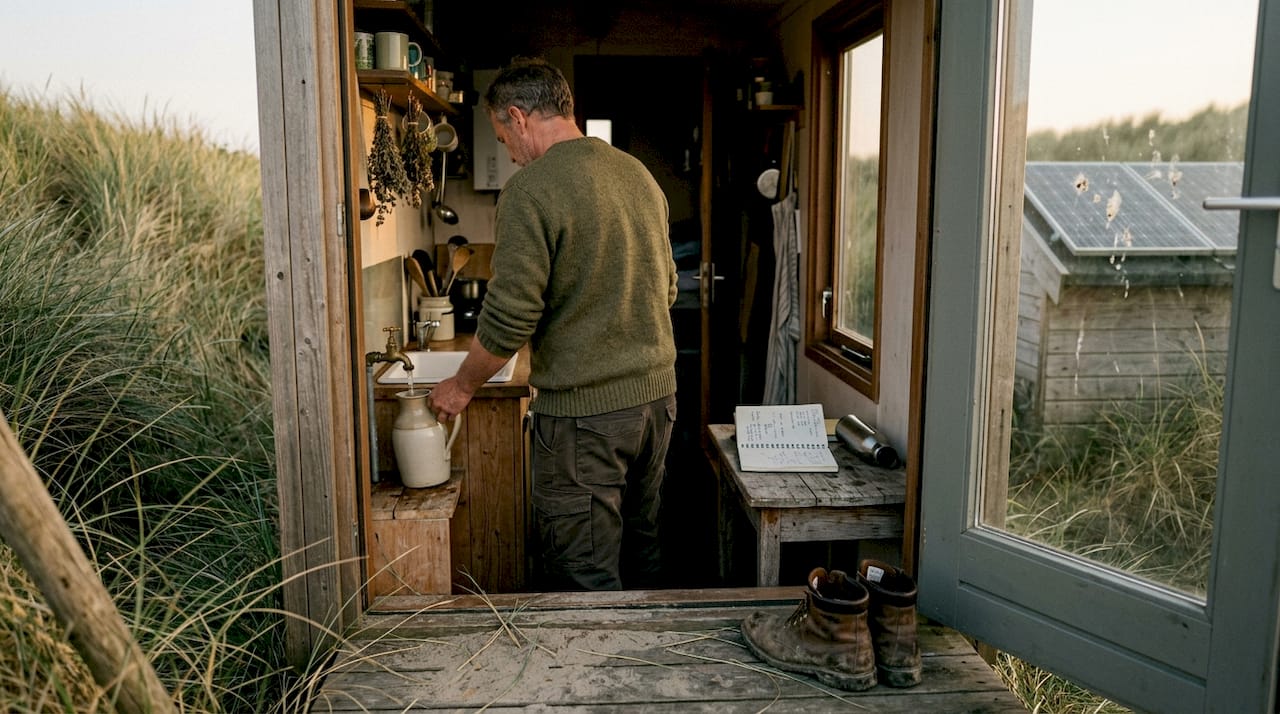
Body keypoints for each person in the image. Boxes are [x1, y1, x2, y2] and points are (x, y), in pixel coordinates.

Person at [427, 58, 678, 591]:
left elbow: (512, 313)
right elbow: (669, 286)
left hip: (586, 417)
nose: (509, 155)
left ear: (518, 118)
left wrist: (461, 384)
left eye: (502, 137)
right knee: (642, 548)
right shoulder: (638, 176)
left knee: (583, 572)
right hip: (657, 404)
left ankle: (597, 674)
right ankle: (649, 668)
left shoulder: (532, 190)